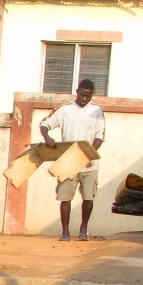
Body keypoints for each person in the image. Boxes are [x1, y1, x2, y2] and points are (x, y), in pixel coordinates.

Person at [40, 78, 105, 241]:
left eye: (88, 96)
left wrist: (89, 153)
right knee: (65, 197)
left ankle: (83, 229)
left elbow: (99, 137)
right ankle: (65, 231)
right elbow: (44, 125)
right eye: (82, 95)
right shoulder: (64, 110)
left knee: (88, 197)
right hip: (68, 162)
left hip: (89, 163)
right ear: (77, 92)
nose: (85, 98)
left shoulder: (97, 111)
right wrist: (47, 137)